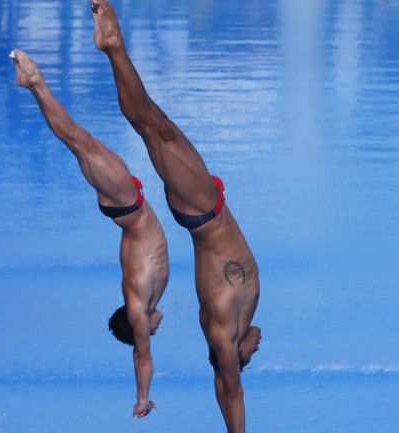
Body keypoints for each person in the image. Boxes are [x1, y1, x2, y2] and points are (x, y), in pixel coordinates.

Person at [90, 2, 262, 432]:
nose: (260, 348)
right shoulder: (238, 321)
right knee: (153, 125)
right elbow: (226, 386)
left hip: (203, 211)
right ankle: (113, 48)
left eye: (251, 357)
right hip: (203, 211)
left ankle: (114, 47)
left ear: (234, 359)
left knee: (152, 124)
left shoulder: (225, 335)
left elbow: (230, 390)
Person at [12, 49, 169, 418]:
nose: (155, 331)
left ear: (136, 326)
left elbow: (142, 355)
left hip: (126, 203)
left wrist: (142, 397)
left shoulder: (136, 305)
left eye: (148, 332)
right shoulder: (145, 300)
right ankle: (32, 83)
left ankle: (34, 81)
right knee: (77, 141)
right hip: (126, 204)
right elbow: (141, 347)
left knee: (78, 140)